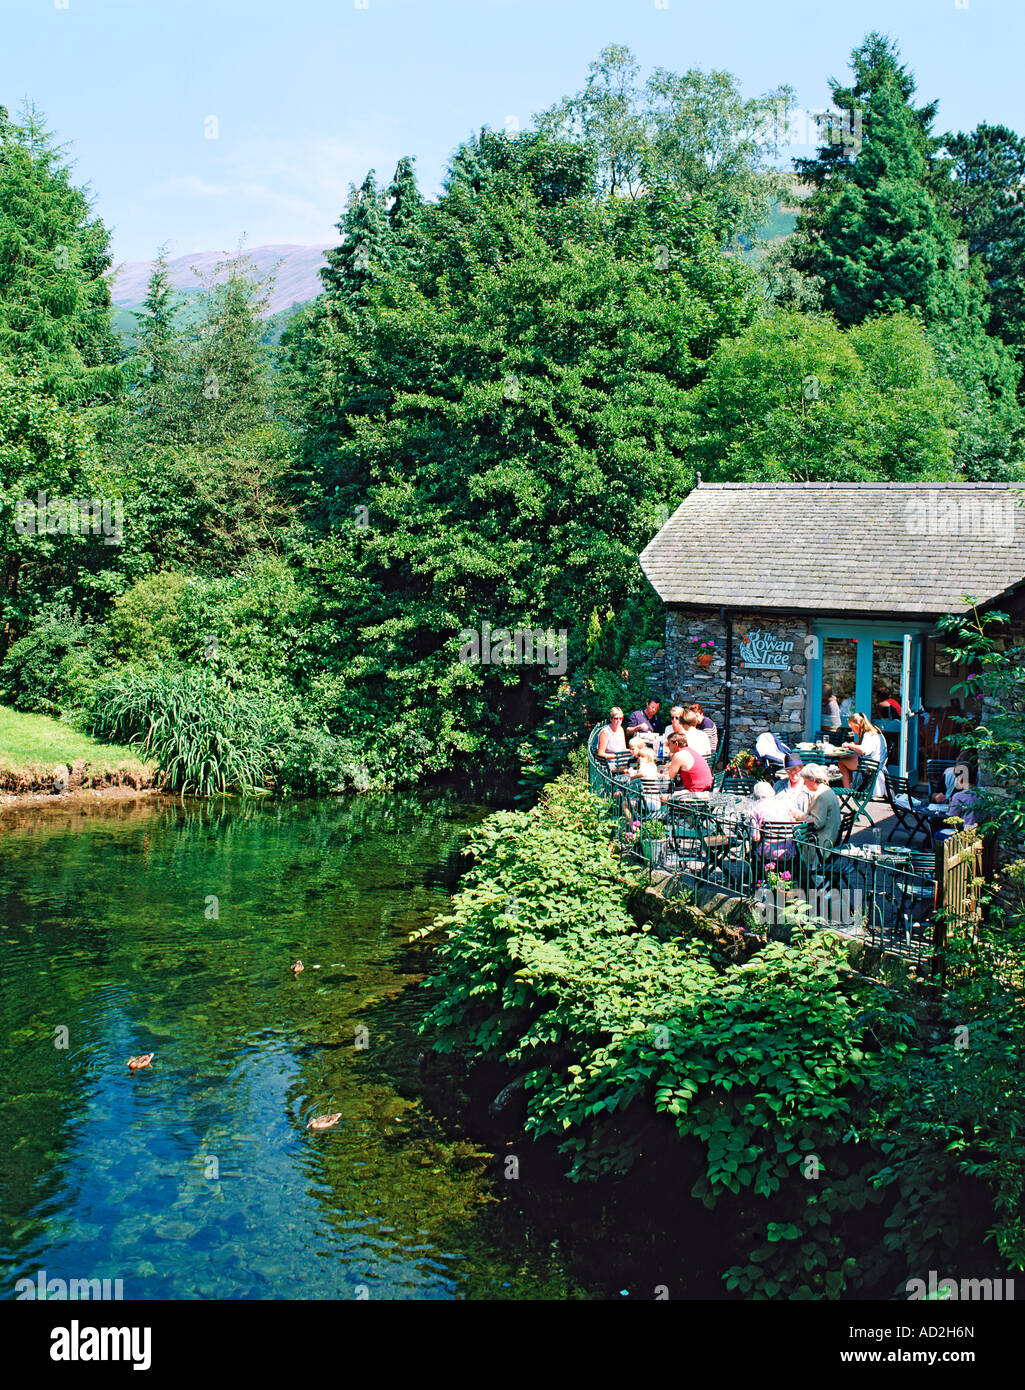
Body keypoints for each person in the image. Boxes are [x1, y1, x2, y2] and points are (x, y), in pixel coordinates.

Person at [795, 764, 842, 866]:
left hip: (822, 844)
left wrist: (798, 815)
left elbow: (817, 823)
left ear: (813, 779)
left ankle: (802, 878)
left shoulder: (820, 796)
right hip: (833, 838)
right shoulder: (828, 790)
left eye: (805, 780)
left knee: (793, 845)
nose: (804, 783)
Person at [838, 713, 887, 794]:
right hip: (876, 762)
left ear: (858, 725)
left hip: (870, 764)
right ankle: (851, 787)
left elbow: (864, 750)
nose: (853, 730)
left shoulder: (868, 734)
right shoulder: (875, 731)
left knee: (842, 762)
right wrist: (855, 744)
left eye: (853, 727)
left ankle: (847, 791)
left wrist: (848, 745)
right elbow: (869, 745)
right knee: (846, 757)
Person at [626, 737, 663, 816]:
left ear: (648, 758)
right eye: (639, 756)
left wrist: (632, 777)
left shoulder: (643, 766)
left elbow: (642, 774)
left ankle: (633, 825)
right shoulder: (653, 766)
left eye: (642, 757)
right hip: (656, 802)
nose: (640, 758)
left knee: (625, 803)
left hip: (645, 803)